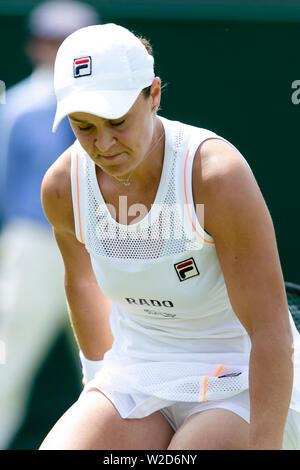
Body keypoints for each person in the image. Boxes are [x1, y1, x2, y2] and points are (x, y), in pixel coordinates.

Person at [39, 23, 300, 450]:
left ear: (154, 94)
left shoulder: (215, 175)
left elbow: (270, 330)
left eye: (117, 121)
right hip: (136, 373)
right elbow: (84, 283)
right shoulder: (62, 187)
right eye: (83, 127)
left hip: (239, 376)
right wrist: (97, 387)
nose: (103, 144)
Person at [0, 1, 100, 449]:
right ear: (35, 45)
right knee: (8, 360)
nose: (58, 50)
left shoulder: (118, 111)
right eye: (51, 40)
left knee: (112, 362)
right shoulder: (16, 107)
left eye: (71, 42)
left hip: (100, 245)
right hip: (33, 245)